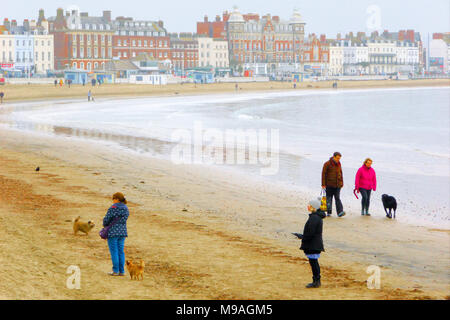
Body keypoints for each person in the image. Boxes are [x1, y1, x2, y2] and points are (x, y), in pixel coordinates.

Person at [298, 199, 326, 288]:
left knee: (314, 263)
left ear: (314, 207)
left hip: (313, 244)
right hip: (315, 244)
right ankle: (316, 280)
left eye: (309, 205)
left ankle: (316, 281)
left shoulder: (314, 218)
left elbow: (310, 233)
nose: (308, 206)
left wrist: (302, 237)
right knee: (314, 262)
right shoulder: (316, 217)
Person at [103, 192, 129, 276]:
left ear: (117, 199)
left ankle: (115, 271)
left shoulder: (113, 208)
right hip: (122, 232)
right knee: (121, 251)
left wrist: (105, 225)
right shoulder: (126, 208)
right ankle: (122, 271)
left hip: (113, 232)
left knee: (114, 251)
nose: (112, 200)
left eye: (113, 198)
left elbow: (106, 220)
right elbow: (125, 219)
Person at [322, 152, 346, 217]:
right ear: (334, 157)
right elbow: (323, 174)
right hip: (329, 184)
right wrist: (323, 184)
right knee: (329, 198)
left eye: (339, 158)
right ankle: (329, 212)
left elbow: (341, 173)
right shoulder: (327, 164)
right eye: (338, 158)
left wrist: (342, 182)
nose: (339, 159)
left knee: (337, 198)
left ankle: (340, 212)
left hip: (338, 185)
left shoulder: (339, 164)